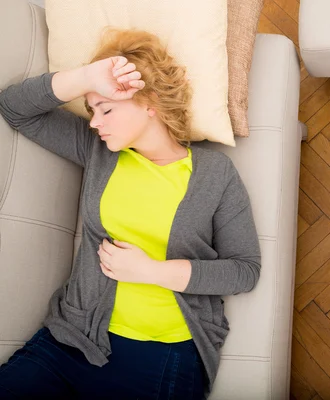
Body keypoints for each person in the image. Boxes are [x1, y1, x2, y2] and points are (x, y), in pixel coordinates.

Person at [0, 28, 261, 399]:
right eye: (92, 110)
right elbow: (14, 107)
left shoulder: (214, 174)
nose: (94, 121)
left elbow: (244, 269)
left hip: (163, 354)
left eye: (105, 108)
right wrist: (89, 78)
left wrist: (152, 271)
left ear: (150, 102)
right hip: (73, 340)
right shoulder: (97, 152)